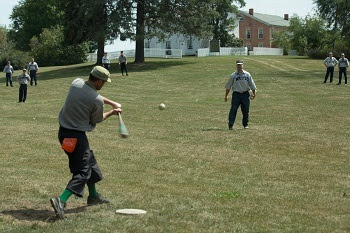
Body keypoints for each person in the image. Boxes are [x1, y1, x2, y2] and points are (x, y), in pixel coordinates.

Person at [50, 66, 122, 220]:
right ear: (100, 82)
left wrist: (111, 102)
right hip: (76, 137)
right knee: (83, 170)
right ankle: (60, 201)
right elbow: (98, 119)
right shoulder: (95, 100)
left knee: (90, 161)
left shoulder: (76, 83)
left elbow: (93, 95)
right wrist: (112, 112)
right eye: (104, 82)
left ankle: (94, 196)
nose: (103, 85)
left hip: (63, 134)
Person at [225, 60, 257, 130]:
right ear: (236, 66)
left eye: (240, 65)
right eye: (238, 65)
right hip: (236, 95)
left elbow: (252, 84)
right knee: (233, 110)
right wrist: (226, 95)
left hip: (245, 94)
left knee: (246, 110)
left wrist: (254, 93)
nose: (239, 66)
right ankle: (231, 125)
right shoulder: (233, 75)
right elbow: (228, 86)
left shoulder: (247, 75)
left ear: (243, 65)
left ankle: (245, 124)